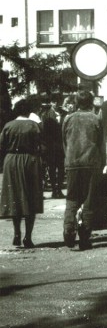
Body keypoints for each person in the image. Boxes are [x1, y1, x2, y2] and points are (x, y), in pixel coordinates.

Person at [61, 90, 104, 251]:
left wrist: (68, 159)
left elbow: (64, 141)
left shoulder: (68, 118)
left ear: (77, 102)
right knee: (89, 199)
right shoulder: (95, 119)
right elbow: (101, 143)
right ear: (91, 102)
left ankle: (68, 228)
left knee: (72, 197)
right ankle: (85, 236)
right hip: (91, 162)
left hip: (72, 163)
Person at [0, 98, 44, 248]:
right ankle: (28, 237)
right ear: (28, 111)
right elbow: (41, 145)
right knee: (30, 197)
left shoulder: (8, 126)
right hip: (30, 161)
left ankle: (16, 233)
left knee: (14, 197)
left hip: (11, 161)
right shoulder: (34, 126)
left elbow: (1, 145)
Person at [41, 93, 66, 199]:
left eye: (58, 102)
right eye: (54, 102)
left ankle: (59, 189)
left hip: (60, 145)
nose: (56, 104)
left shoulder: (63, 113)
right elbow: (44, 130)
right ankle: (54, 190)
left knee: (61, 168)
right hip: (51, 145)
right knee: (51, 168)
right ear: (51, 103)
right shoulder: (46, 114)